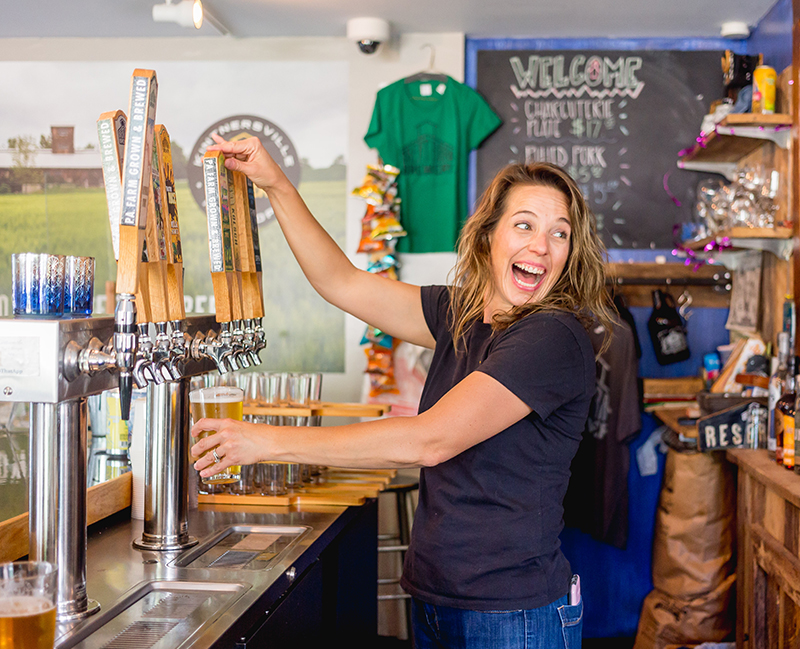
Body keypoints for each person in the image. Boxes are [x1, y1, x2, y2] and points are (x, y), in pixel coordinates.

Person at [192, 132, 615, 649]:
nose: (541, 247)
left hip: (513, 614)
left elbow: (429, 440)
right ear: (489, 237)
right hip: (438, 597)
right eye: (524, 225)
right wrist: (276, 183)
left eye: (560, 234)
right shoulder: (460, 314)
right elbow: (340, 282)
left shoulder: (552, 337)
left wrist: (265, 440)